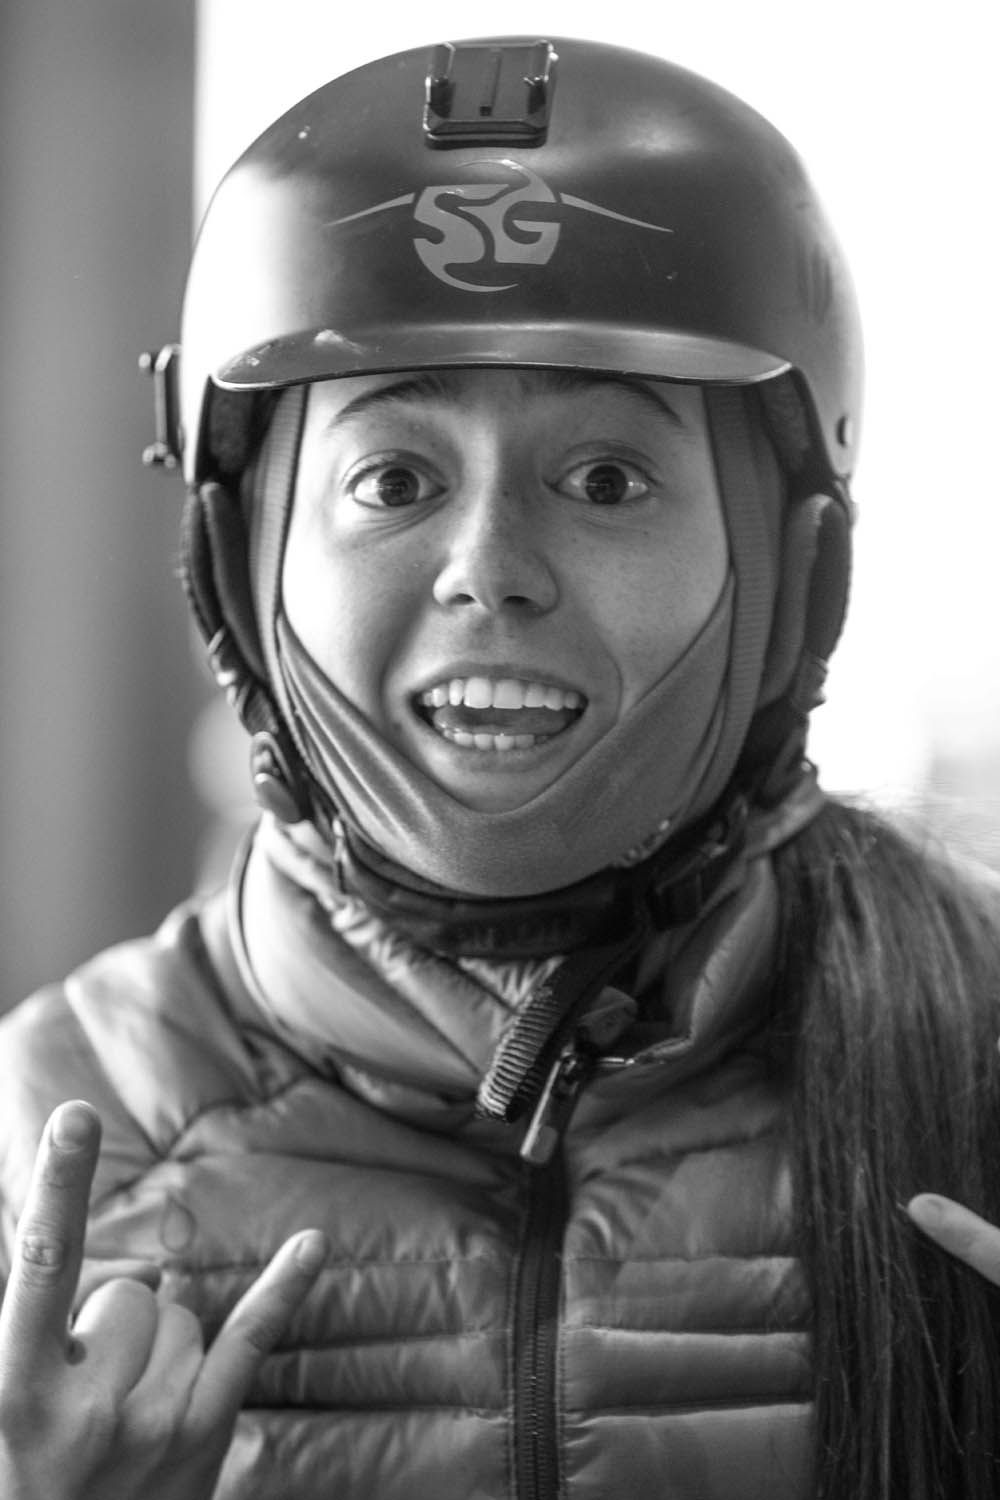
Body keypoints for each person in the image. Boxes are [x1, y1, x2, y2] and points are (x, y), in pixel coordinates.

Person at [1, 32, 1000, 1500]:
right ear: (240, 561)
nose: (488, 568)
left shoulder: (982, 1052)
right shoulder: (44, 1138)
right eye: (392, 479)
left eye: (607, 479)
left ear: (791, 569)